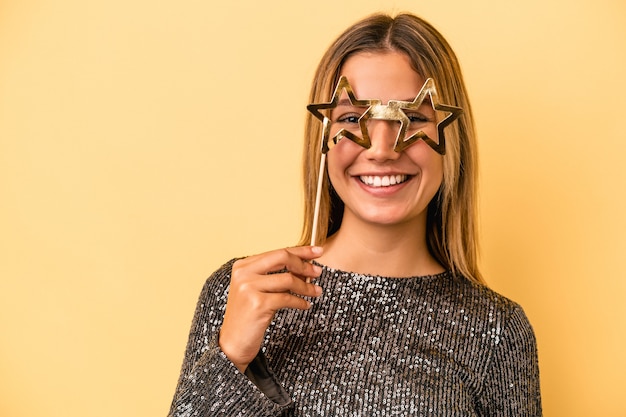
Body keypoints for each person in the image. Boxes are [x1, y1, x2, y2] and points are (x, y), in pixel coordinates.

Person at [168, 12, 542, 417]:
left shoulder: (496, 331)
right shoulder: (241, 292)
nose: (381, 149)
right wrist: (232, 356)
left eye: (413, 118)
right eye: (351, 118)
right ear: (324, 138)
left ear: (450, 139)